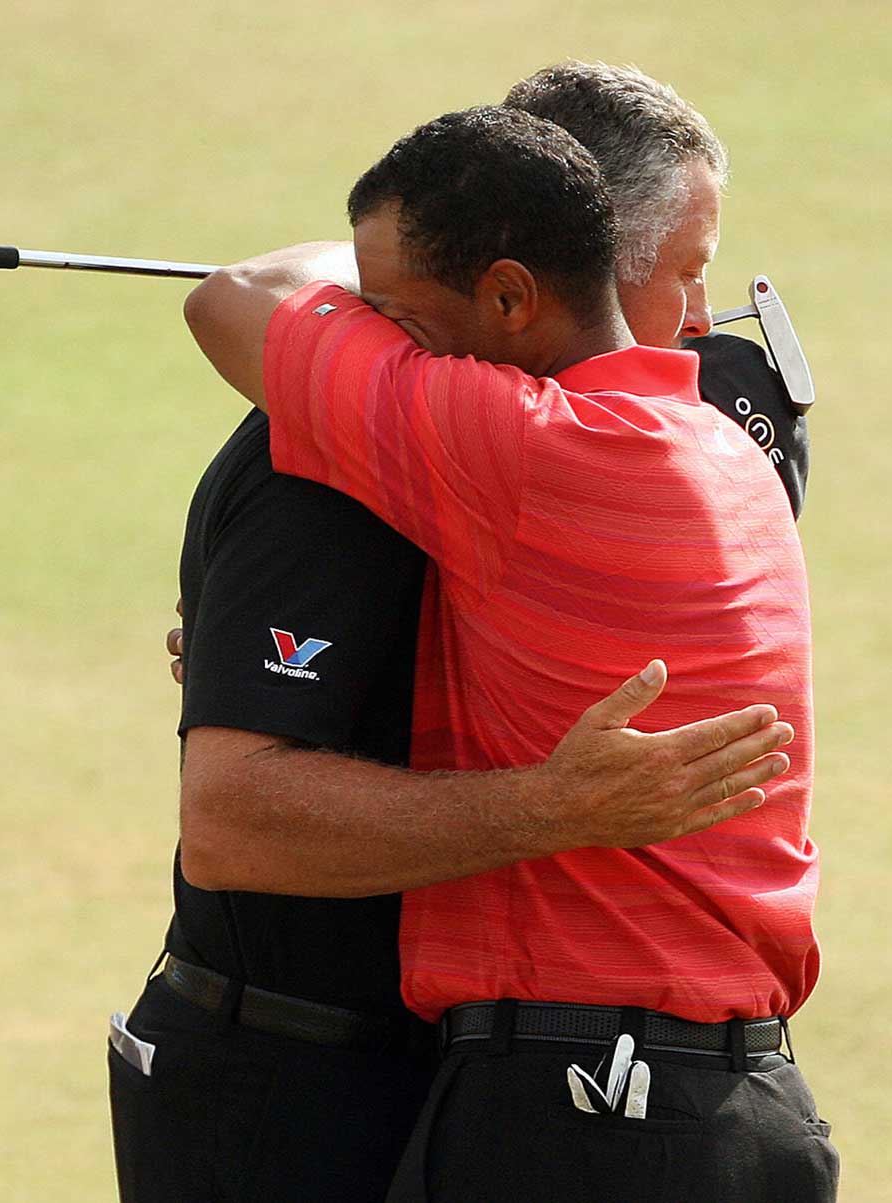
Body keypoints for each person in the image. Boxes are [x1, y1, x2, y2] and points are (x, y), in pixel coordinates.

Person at [111, 64, 812, 1203]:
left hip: (590, 1118)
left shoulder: (524, 448)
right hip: (731, 1112)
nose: (702, 315)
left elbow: (235, 295)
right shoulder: (723, 446)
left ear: (508, 297)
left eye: (393, 318)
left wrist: (553, 805)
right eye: (687, 272)